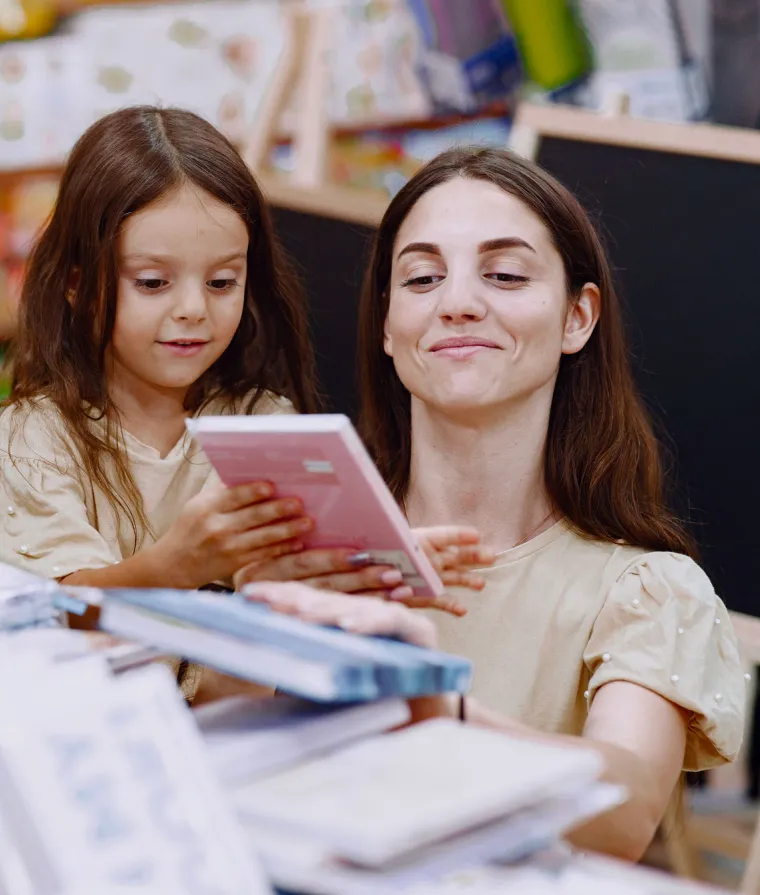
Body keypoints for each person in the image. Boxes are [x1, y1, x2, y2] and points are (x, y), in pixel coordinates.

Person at [0, 107, 484, 700]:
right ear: (77, 282)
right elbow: (52, 618)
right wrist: (177, 566)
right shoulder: (31, 440)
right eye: (152, 282)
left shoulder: (265, 425)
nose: (193, 310)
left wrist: (360, 567)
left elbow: (275, 646)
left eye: (222, 282)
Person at [345, 146, 744, 860]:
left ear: (577, 318)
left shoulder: (647, 592)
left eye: (504, 274)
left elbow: (623, 812)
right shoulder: (317, 549)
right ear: (386, 323)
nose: (457, 303)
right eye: (422, 277)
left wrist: (437, 710)